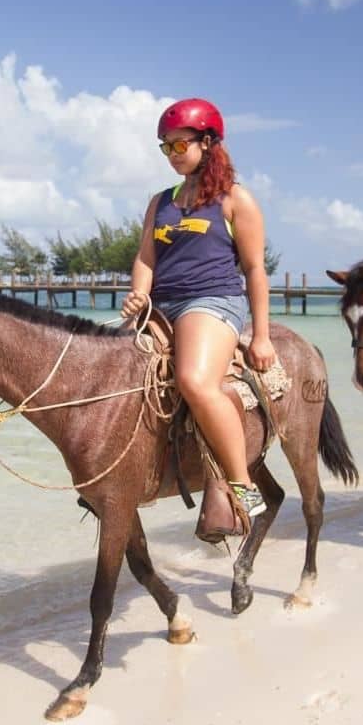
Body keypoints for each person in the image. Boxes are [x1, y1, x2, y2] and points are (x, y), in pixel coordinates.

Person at [121, 98, 276, 515]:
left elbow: (255, 269)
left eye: (178, 145)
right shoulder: (161, 202)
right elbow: (145, 258)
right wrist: (139, 293)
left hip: (212, 300)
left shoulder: (235, 199)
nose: (171, 155)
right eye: (165, 147)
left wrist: (261, 336)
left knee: (194, 380)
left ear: (207, 143)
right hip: (160, 304)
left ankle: (242, 485)